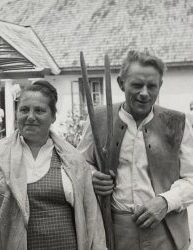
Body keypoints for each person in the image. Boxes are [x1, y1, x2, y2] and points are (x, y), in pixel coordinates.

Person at [0, 80, 106, 249]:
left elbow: (92, 221)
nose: (30, 117)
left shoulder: (74, 161)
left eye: (40, 111)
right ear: (16, 113)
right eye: (24, 110)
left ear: (53, 117)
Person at [77, 50, 193, 250]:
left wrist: (165, 202)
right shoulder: (99, 118)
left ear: (160, 86)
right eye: (137, 85)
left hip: (166, 232)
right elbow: (79, 164)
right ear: (121, 83)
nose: (144, 93)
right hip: (114, 232)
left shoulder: (178, 123)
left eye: (152, 86)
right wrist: (92, 176)